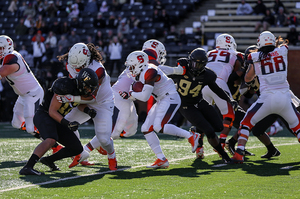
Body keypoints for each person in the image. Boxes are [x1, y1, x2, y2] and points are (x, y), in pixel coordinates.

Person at [119, 51, 200, 168]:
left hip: (170, 96)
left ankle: (191, 136)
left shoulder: (150, 71)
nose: (130, 69)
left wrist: (131, 92)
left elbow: (145, 97)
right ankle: (161, 159)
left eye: (132, 66)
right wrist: (128, 95)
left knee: (159, 127)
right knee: (146, 128)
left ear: (140, 64)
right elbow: (140, 94)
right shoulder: (142, 72)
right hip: (162, 99)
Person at [231, 31, 300, 163]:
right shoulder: (283, 50)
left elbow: (248, 77)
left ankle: (239, 153)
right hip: (285, 98)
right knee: (297, 127)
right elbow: (283, 44)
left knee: (245, 124)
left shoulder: (254, 56)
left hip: (267, 99)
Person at [19, 69, 98, 175]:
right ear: (81, 83)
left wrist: (88, 111)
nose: (89, 91)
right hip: (44, 115)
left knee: (76, 148)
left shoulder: (78, 90)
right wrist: (67, 124)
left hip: (56, 119)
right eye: (88, 87)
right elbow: (52, 111)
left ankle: (49, 160)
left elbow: (78, 103)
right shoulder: (65, 86)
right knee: (51, 139)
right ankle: (28, 166)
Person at [57, 43, 117, 170]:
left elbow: (91, 96)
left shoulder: (97, 70)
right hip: (84, 101)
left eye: (81, 67)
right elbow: (75, 86)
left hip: (102, 103)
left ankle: (111, 155)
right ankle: (80, 153)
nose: (77, 69)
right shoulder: (71, 65)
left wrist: (72, 98)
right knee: (67, 125)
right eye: (75, 67)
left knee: (104, 140)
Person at [202, 34, 240, 154]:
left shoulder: (208, 53)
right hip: (219, 82)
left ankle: (198, 146)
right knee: (229, 114)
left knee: (201, 116)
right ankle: (221, 143)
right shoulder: (236, 55)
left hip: (202, 83)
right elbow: (237, 77)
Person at [0, 35, 43, 138]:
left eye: (0, 48)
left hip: (33, 93)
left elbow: (2, 72)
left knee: (31, 128)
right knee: (17, 123)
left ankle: (54, 142)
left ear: (8, 47)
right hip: (23, 95)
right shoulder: (8, 57)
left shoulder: (11, 58)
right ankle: (50, 141)